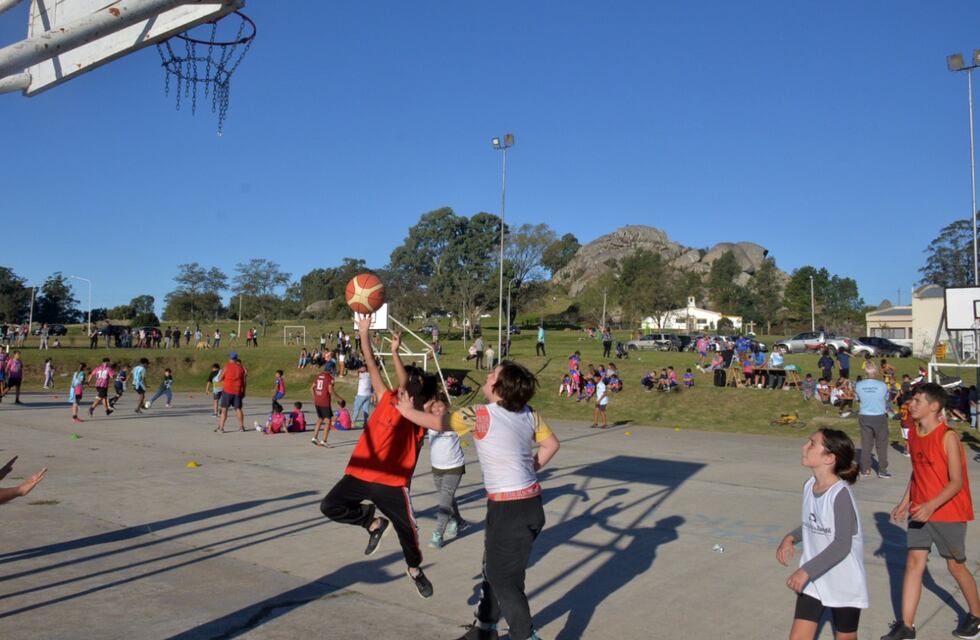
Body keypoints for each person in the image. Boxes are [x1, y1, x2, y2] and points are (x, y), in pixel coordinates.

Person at [396, 359, 560, 640]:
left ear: (499, 387)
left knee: (502, 579)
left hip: (509, 508)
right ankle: (486, 628)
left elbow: (438, 422)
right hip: (529, 504)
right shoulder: (528, 413)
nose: (487, 374)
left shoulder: (481, 414)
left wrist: (407, 410)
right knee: (497, 570)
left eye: (493, 373)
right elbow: (551, 445)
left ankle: (525, 635)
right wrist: (525, 470)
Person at [319, 317, 439, 598]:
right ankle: (372, 522)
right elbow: (372, 365)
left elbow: (405, 380)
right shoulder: (386, 396)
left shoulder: (418, 415)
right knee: (330, 506)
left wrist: (396, 352)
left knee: (407, 530)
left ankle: (414, 569)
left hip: (391, 482)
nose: (409, 382)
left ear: (420, 390)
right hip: (360, 472)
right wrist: (363, 334)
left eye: (415, 381)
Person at [881, 383, 980, 640]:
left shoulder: (948, 437)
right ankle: (907, 626)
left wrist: (931, 505)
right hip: (920, 510)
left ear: (934, 406)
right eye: (911, 399)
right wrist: (905, 502)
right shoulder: (913, 433)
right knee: (914, 564)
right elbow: (918, 472)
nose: (911, 404)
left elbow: (956, 481)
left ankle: (977, 617)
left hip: (948, 512)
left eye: (918, 400)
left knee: (955, 567)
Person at [776, 428, 867, 640]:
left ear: (829, 458)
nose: (804, 447)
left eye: (812, 444)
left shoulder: (840, 495)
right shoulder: (810, 486)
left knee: (845, 636)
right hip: (815, 580)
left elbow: (841, 544)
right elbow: (812, 523)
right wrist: (791, 537)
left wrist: (805, 570)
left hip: (844, 580)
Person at [855, 370, 890, 479]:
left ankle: (865, 469)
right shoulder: (882, 385)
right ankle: (882, 470)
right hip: (879, 415)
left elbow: (858, 399)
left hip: (865, 415)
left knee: (866, 443)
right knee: (882, 444)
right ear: (876, 373)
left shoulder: (859, 385)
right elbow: (887, 398)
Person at [216, 352, 246, 433]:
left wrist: (221, 376)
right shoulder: (241, 368)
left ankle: (221, 428)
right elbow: (244, 381)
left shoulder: (227, 367)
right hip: (238, 390)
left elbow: (219, 378)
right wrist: (243, 391)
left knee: (224, 409)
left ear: (229, 358)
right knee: (238, 409)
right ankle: (241, 426)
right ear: (236, 358)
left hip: (227, 390)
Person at [310, 367, 338, 447]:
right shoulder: (329, 377)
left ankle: (314, 437)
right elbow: (330, 390)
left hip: (317, 400)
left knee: (320, 418)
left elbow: (311, 388)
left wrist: (315, 397)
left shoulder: (318, 375)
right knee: (328, 421)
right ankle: (324, 440)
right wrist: (337, 398)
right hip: (325, 401)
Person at [352, 363, 374, 427]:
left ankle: (353, 422)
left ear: (365, 368)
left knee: (356, 409)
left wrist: (359, 370)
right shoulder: (370, 375)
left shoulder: (363, 374)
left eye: (363, 367)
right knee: (366, 409)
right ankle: (365, 423)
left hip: (361, 395)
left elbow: (358, 373)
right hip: (368, 394)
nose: (361, 368)